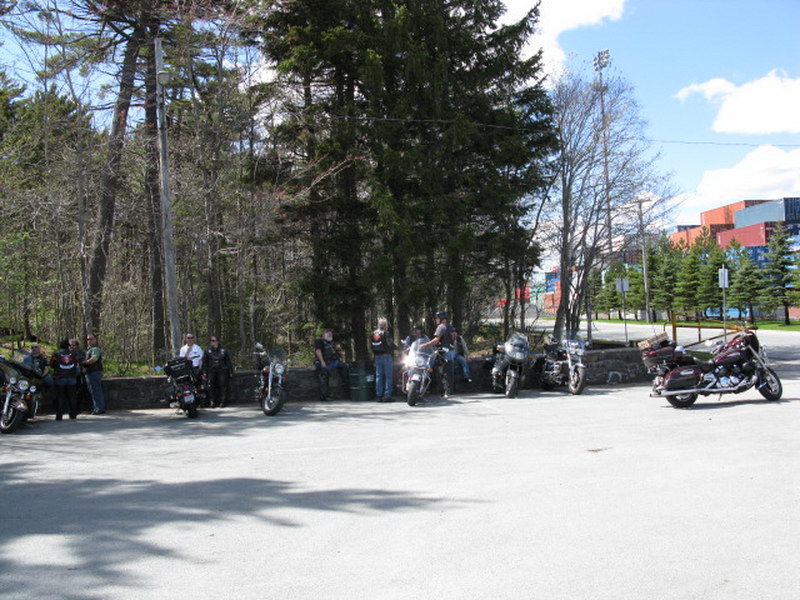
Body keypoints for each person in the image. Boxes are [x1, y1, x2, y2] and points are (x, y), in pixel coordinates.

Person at [421, 311, 455, 398]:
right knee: (449, 371)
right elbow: (454, 337)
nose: (436, 320)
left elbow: (436, 340)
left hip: (444, 352)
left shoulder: (441, 327)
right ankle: (449, 391)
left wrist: (425, 345)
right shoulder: (450, 326)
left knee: (444, 372)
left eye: (437, 318)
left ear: (441, 318)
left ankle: (447, 393)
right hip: (451, 351)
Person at [314, 329, 349, 401]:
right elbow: (318, 351)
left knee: (344, 366)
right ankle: (324, 396)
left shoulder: (331, 343)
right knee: (323, 378)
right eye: (327, 333)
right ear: (323, 335)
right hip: (323, 362)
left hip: (333, 362)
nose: (330, 334)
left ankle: (345, 386)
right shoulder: (319, 341)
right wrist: (322, 362)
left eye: (331, 333)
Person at [49, 339, 79, 420]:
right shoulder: (74, 354)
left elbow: (51, 364)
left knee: (60, 397)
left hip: (60, 378)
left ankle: (59, 415)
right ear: (68, 346)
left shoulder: (56, 354)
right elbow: (76, 363)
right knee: (72, 397)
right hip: (71, 377)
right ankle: (73, 414)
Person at [204, 336, 234, 407]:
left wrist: (231, 372)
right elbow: (205, 362)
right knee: (210, 385)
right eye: (211, 341)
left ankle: (223, 401)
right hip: (211, 370)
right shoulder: (208, 351)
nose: (212, 342)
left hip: (222, 370)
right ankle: (212, 401)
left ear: (217, 341)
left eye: (214, 341)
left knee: (223, 385)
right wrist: (204, 372)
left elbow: (228, 361)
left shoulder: (223, 350)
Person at [371, 317, 395, 402]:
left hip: (377, 357)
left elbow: (372, 346)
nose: (387, 326)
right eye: (387, 324)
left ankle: (379, 395)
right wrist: (399, 348)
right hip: (386, 356)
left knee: (379, 376)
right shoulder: (386, 333)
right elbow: (390, 344)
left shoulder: (374, 333)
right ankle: (387, 396)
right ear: (384, 325)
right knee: (388, 376)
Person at [83, 333, 106, 415]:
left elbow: (94, 359)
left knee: (96, 390)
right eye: (88, 339)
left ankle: (99, 408)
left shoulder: (95, 349)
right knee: (92, 391)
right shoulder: (88, 350)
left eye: (91, 339)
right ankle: (95, 407)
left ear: (95, 340)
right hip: (90, 372)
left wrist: (85, 363)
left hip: (94, 372)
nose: (89, 341)